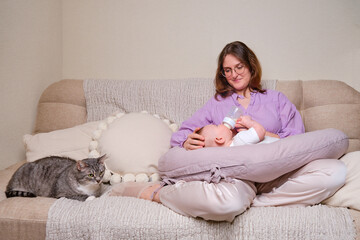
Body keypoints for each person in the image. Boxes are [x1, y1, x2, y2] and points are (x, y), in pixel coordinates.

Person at [111, 41, 346, 222]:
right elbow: (182, 134)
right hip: (237, 176)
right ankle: (161, 194)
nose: (234, 74)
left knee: (334, 171)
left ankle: (260, 203)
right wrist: (188, 141)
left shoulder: (275, 99)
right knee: (226, 204)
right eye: (227, 70)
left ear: (251, 66)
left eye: (239, 67)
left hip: (278, 171)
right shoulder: (217, 103)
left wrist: (260, 133)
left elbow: (299, 142)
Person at [198, 115, 279, 148]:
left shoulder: (231, 149)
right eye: (217, 126)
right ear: (220, 139)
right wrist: (249, 122)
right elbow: (260, 131)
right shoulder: (239, 139)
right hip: (278, 146)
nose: (220, 123)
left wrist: (244, 131)